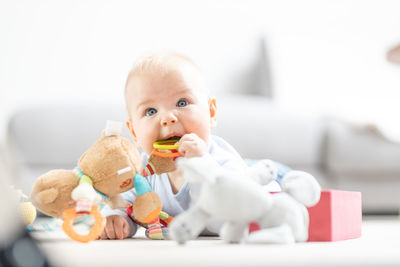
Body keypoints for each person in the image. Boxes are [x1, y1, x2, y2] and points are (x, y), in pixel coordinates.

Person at [100, 52, 281, 240]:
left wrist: (201, 166)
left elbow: (229, 216)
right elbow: (122, 205)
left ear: (211, 113)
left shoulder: (221, 159)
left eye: (182, 102)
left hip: (257, 174)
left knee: (278, 183)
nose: (168, 118)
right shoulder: (142, 172)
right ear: (135, 133)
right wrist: (117, 220)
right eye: (150, 111)